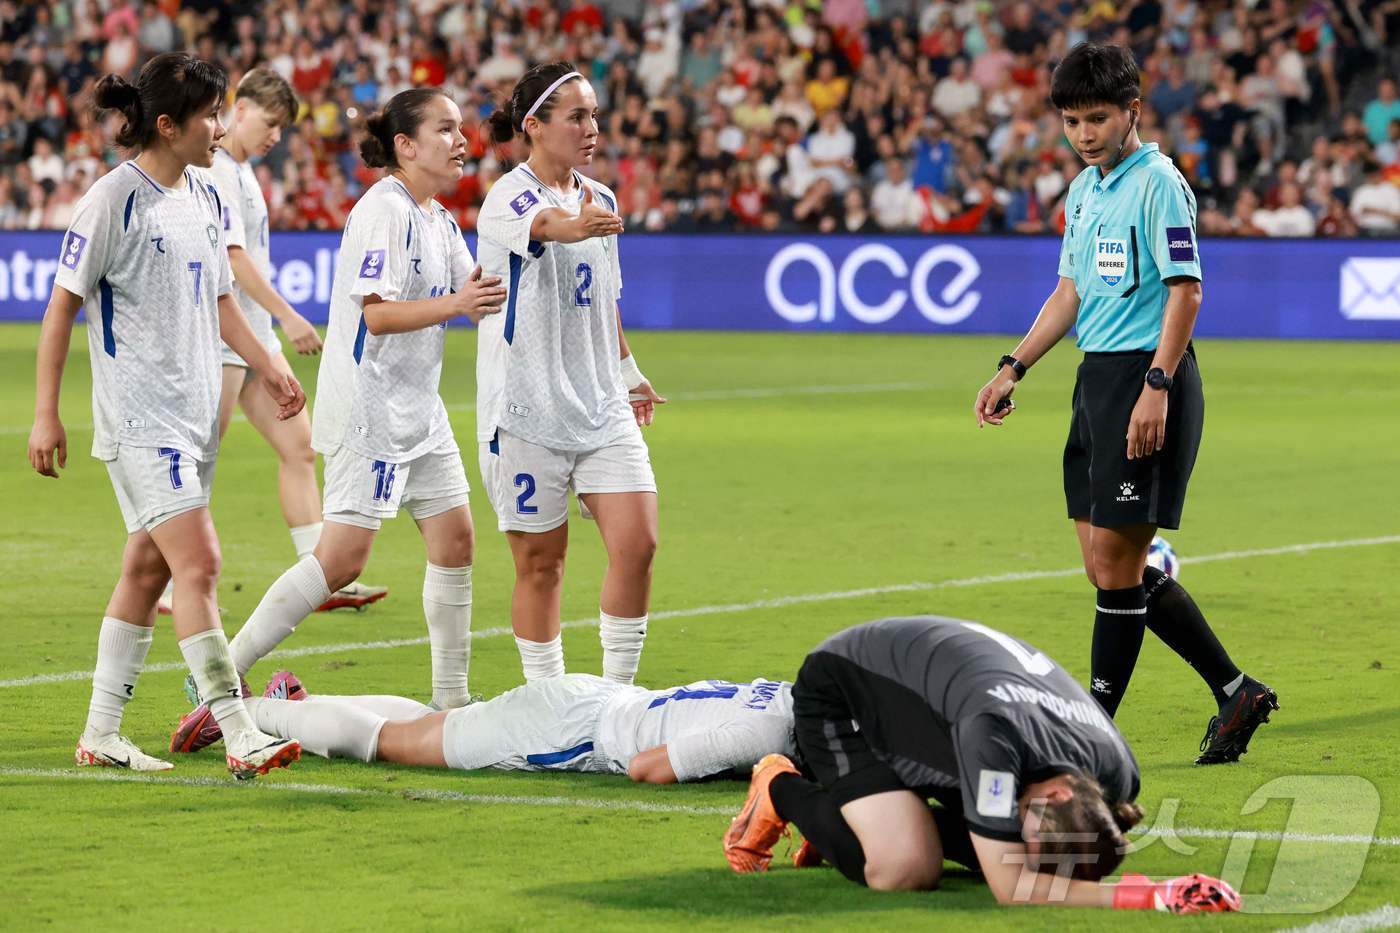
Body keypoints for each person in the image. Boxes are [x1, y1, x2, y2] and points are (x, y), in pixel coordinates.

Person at [170, 88, 507, 753]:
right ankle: (220, 678)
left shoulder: (439, 219)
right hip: (372, 405)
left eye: (461, 129)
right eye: (445, 129)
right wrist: (458, 302)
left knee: (456, 538)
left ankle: (452, 703)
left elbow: (480, 297)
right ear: (405, 145)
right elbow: (378, 314)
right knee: (341, 557)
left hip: (420, 405)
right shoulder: (382, 211)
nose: (461, 140)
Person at [971, 44, 1277, 764]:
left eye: (1097, 118)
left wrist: (1158, 385)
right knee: (1110, 567)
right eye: (1072, 121)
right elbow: (1069, 292)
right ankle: (1235, 689)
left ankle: (1087, 729)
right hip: (1096, 383)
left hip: (1149, 379)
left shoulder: (1158, 183)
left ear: (1132, 110)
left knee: (1117, 567)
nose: (1083, 134)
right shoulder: (1085, 189)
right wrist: (1014, 366)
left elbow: (1186, 289)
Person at [27, 52, 303, 779]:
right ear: (168, 124)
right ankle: (240, 730)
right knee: (199, 563)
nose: (221, 125)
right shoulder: (113, 199)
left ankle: (100, 734)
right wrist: (46, 415)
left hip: (191, 414)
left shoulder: (210, 195)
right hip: (139, 418)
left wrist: (270, 365)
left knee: (148, 570)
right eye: (211, 113)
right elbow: (61, 310)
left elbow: (219, 302)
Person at [723, 617, 1241, 914]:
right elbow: (1010, 887)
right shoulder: (994, 740)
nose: (1023, 843)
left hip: (931, 706)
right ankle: (782, 787)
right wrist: (1153, 893)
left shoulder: (1118, 775)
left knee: (995, 845)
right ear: (1061, 794)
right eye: (1031, 830)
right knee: (905, 868)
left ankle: (864, 814)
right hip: (846, 695)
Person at [159, 66, 388, 618]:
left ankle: (319, 573)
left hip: (249, 339)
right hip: (224, 337)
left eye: (283, 127)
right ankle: (166, 580)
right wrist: (287, 317)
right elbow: (234, 262)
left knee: (299, 447)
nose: (276, 136)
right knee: (200, 458)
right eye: (271, 122)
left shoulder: (238, 173)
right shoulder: (218, 175)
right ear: (239, 109)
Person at [479, 61, 666, 685]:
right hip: (528, 412)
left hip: (602, 404)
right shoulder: (509, 195)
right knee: (541, 567)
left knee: (638, 546)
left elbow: (604, 298)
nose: (592, 128)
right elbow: (547, 226)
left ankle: (617, 698)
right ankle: (547, 700)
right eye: (577, 116)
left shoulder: (603, 197)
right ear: (534, 125)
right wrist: (573, 225)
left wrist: (630, 371)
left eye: (594, 114)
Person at [243, 668, 794, 783]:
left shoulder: (789, 696)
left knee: (435, 724)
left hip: (599, 699)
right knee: (392, 743)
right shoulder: (769, 733)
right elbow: (647, 768)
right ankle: (245, 714)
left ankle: (293, 704)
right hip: (569, 731)